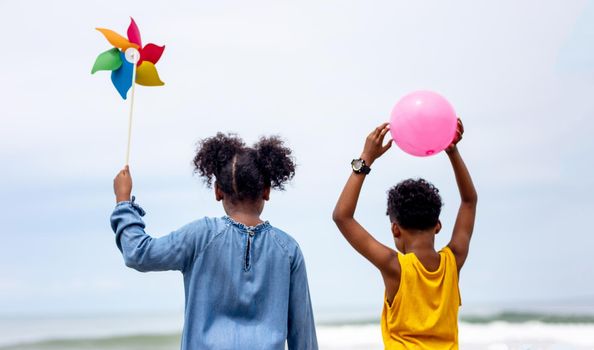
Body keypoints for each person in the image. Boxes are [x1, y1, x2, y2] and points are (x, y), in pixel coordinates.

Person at [111, 133, 318, 350]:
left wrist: (123, 202)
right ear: (266, 190)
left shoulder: (201, 236)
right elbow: (303, 336)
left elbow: (138, 253)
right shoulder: (288, 250)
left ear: (218, 191)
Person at [332, 120, 477, 349]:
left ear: (395, 229)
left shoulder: (395, 266)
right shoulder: (453, 260)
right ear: (438, 225)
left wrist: (365, 159)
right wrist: (453, 151)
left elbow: (342, 216)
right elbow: (469, 202)